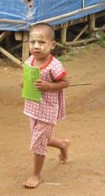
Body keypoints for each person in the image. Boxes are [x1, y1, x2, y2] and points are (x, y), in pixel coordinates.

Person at [22, 24, 70, 189]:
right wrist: (23, 83)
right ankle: (62, 144)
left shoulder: (54, 65)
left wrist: (49, 86)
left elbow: (65, 82)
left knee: (38, 142)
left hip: (47, 109)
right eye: (32, 42)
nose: (36, 46)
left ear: (52, 45)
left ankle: (36, 175)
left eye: (41, 42)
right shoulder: (29, 61)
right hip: (32, 107)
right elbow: (27, 79)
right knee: (40, 138)